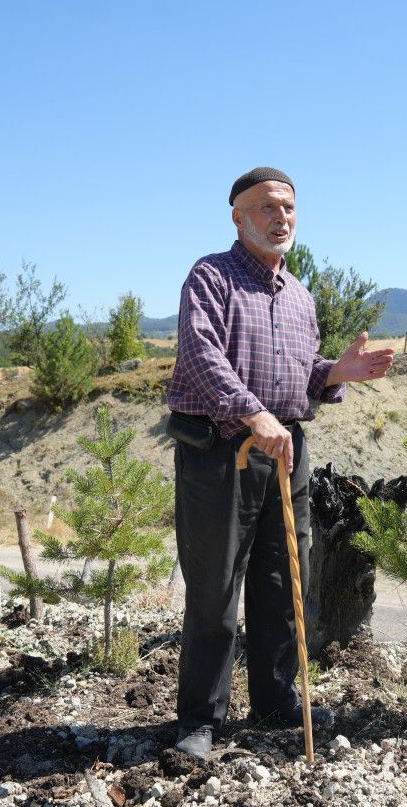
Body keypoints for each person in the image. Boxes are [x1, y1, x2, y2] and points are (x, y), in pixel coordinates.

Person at [166, 166, 394, 758]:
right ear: (238, 216)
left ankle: (273, 699)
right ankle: (201, 720)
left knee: (280, 580)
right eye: (267, 207)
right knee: (214, 589)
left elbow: (301, 375)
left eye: (289, 207)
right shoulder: (210, 277)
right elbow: (200, 355)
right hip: (220, 453)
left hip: (286, 450)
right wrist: (251, 414)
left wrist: (334, 374)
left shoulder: (300, 297)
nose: (281, 217)